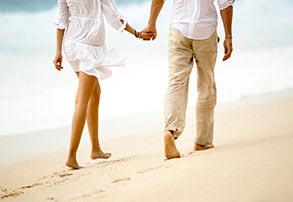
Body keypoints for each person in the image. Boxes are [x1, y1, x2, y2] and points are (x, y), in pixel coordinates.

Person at [53, 0, 153, 169]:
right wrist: (136, 33)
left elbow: (62, 20)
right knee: (82, 100)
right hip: (89, 47)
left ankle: (95, 148)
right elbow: (114, 16)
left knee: (95, 93)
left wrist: (58, 51)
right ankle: (71, 156)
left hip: (71, 44)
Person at [142, 0, 234, 159]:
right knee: (207, 84)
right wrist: (228, 36)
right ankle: (202, 141)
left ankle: (170, 130)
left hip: (179, 28)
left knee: (176, 82)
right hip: (206, 30)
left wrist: (151, 24)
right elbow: (225, 3)